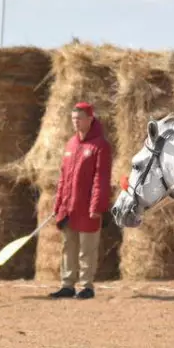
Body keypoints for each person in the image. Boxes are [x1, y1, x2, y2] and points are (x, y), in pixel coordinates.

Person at [48, 102, 112, 300]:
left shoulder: (100, 146)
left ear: (90, 119)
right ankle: (67, 284)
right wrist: (58, 205)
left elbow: (101, 178)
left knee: (87, 249)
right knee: (68, 247)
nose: (75, 122)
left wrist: (97, 206)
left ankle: (86, 286)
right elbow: (63, 178)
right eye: (73, 118)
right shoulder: (71, 144)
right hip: (69, 207)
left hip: (87, 208)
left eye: (79, 118)